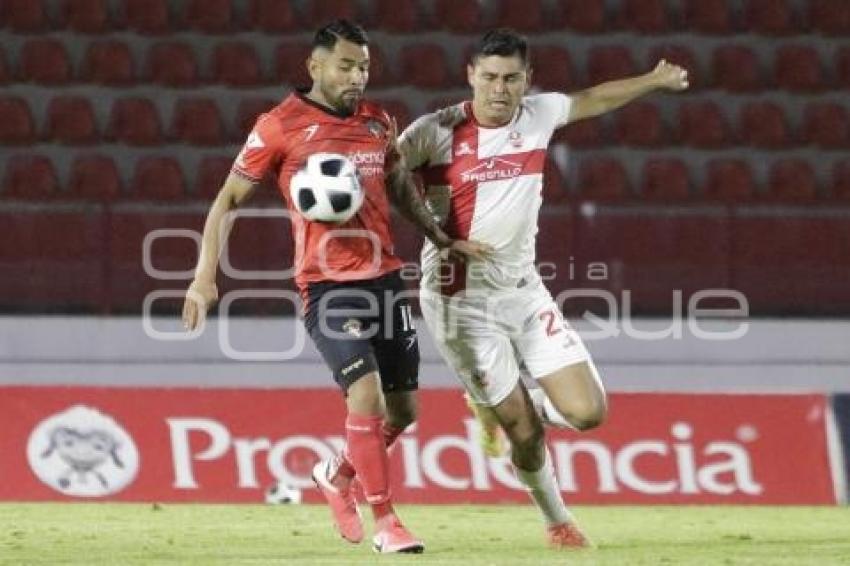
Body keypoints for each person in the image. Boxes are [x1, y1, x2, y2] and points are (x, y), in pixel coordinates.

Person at [181, 19, 489, 555]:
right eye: (346, 65)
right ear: (315, 66)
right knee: (364, 394)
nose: (357, 76)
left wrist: (440, 235)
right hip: (327, 285)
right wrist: (204, 275)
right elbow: (227, 199)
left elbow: (397, 185)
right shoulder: (279, 126)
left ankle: (336, 473)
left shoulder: (376, 121)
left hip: (386, 279)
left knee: (404, 413)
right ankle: (387, 522)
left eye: (364, 66)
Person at [398, 28, 688, 548]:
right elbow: (386, 181)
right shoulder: (433, 132)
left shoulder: (538, 114)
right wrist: (438, 235)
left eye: (511, 78)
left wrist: (653, 79)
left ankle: (501, 403)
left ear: (527, 80)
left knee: (588, 413)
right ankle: (559, 522)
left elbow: (593, 98)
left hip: (524, 292)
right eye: (489, 77)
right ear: (471, 76)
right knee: (526, 435)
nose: (500, 89)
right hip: (459, 305)